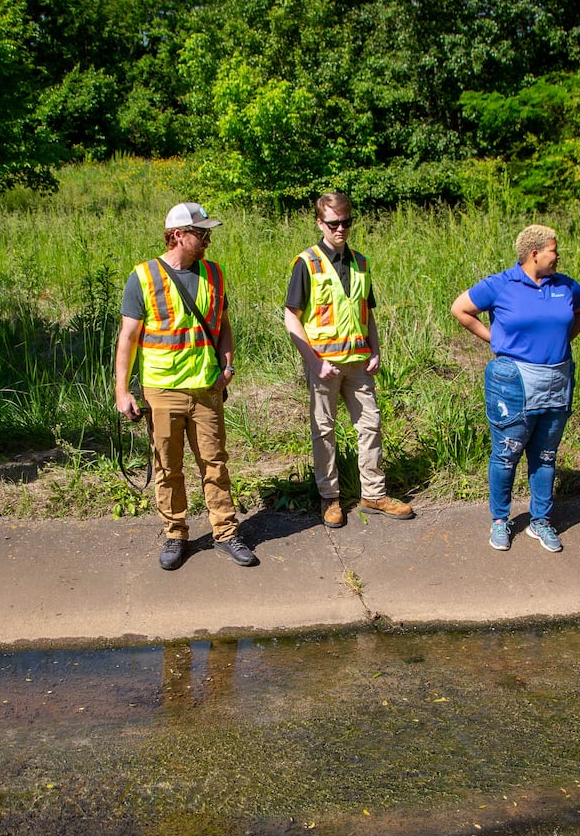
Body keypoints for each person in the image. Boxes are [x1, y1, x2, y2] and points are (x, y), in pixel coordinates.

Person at [114, 202, 257, 571]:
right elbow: (128, 338)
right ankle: (175, 534)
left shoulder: (215, 274)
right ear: (178, 235)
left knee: (215, 463)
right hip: (162, 391)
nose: (208, 240)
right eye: (201, 233)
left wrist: (227, 365)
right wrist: (122, 391)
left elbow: (223, 325)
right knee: (168, 466)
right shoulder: (143, 277)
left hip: (207, 389)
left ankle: (226, 533)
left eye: (208, 233)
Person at [451, 224, 580, 553]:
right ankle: (500, 520)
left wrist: (564, 340)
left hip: (556, 381)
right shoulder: (501, 285)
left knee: (545, 455)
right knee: (506, 455)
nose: (557, 256)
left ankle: (540, 521)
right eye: (553, 250)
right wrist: (496, 340)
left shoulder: (564, 286)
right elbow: (460, 309)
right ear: (534, 254)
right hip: (514, 383)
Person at [283, 192, 414, 528]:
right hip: (324, 365)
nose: (340, 229)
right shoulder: (307, 263)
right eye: (333, 223)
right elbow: (291, 317)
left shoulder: (361, 262)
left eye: (346, 222)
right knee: (323, 431)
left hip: (358, 362)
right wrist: (313, 362)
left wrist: (376, 349)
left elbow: (366, 312)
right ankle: (330, 498)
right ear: (319, 223)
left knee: (371, 425)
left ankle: (373, 493)